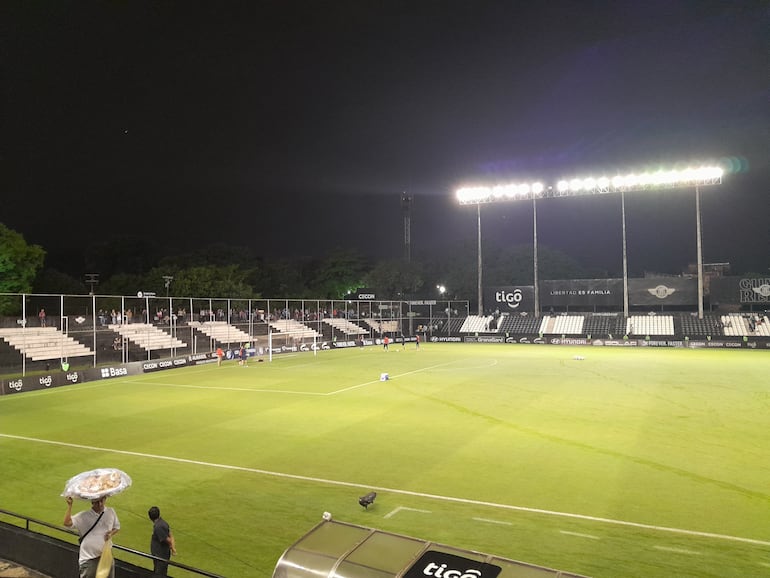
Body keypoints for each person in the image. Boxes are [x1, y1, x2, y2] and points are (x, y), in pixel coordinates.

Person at [64, 495, 120, 578]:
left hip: (106, 557)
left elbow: (117, 527)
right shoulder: (83, 516)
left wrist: (111, 533)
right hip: (89, 559)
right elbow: (67, 523)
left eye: (102, 501)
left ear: (105, 499)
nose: (100, 504)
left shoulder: (111, 512)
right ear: (92, 502)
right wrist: (70, 506)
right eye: (97, 502)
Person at [148, 506, 176, 576]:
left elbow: (168, 539)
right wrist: (173, 548)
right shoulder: (162, 522)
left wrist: (172, 547)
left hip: (160, 556)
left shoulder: (158, 527)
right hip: (160, 556)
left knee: (159, 574)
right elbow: (171, 535)